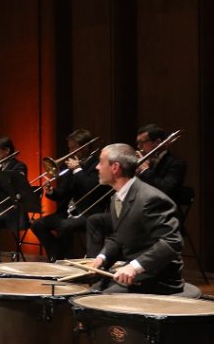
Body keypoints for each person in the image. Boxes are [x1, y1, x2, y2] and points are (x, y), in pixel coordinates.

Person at [87, 144, 184, 295]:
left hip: (158, 278)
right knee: (90, 293)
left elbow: (171, 242)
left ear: (115, 168)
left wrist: (134, 266)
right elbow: (119, 237)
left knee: (99, 302)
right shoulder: (116, 197)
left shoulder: (150, 199)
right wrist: (102, 257)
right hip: (134, 273)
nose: (97, 167)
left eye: (101, 162)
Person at [29, 129, 106, 261]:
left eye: (74, 148)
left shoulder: (97, 164)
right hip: (67, 213)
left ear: (86, 146)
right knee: (37, 224)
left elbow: (90, 188)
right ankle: (59, 256)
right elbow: (64, 192)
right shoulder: (72, 165)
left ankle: (60, 259)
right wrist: (51, 192)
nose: (70, 152)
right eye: (69, 148)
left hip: (88, 213)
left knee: (65, 226)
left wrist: (77, 169)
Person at [135, 124, 186, 208]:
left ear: (158, 142)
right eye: (138, 143)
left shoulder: (176, 164)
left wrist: (145, 171)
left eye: (142, 142)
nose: (139, 146)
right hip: (141, 209)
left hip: (163, 212)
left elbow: (166, 190)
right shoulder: (145, 162)